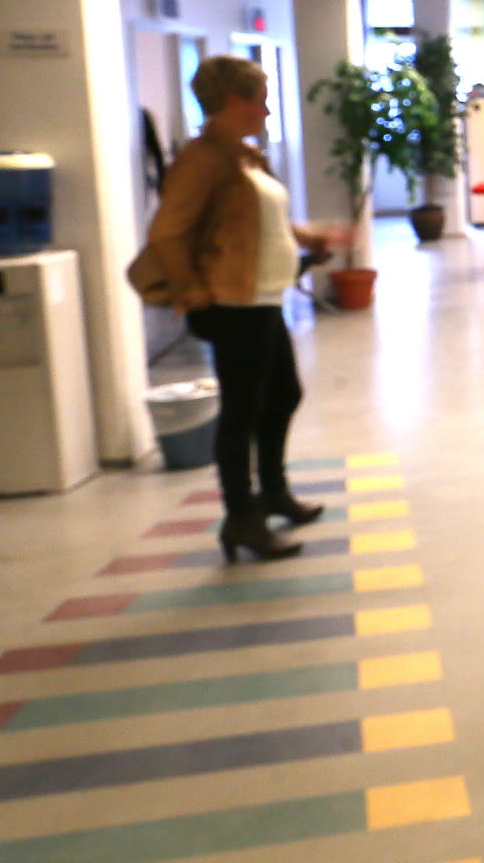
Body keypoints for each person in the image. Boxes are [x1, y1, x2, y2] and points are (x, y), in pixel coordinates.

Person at [137, 57, 340, 563]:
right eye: (260, 101)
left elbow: (266, 222)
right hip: (233, 303)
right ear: (234, 102)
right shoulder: (201, 160)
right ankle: (241, 518)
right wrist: (189, 288)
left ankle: (273, 493)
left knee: (283, 395)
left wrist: (311, 238)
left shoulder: (244, 155)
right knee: (242, 413)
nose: (266, 111)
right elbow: (166, 233)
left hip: (263, 297)